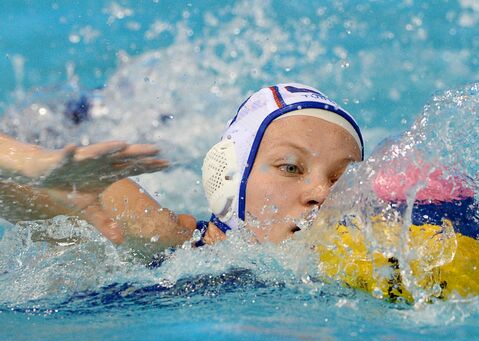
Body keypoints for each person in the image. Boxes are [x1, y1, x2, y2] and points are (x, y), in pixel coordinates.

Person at [0, 83, 363, 256]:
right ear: (227, 179)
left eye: (342, 178)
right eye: (291, 167)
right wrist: (37, 170)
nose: (322, 193)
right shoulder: (171, 242)